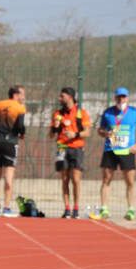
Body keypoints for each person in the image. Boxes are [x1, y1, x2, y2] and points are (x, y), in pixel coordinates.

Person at [93, 87, 136, 221]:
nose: (121, 99)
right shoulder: (108, 112)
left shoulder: (135, 112)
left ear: (127, 98)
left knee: (130, 181)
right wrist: (105, 133)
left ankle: (131, 210)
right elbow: (100, 130)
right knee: (106, 179)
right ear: (115, 98)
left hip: (127, 151)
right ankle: (104, 208)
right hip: (110, 149)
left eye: (123, 97)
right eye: (118, 97)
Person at [0, 86, 26, 217]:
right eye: (22, 94)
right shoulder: (20, 107)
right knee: (9, 178)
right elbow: (20, 126)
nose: (23, 97)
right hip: (11, 144)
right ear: (16, 94)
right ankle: (7, 207)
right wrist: (22, 134)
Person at [50, 87, 91, 219]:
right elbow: (51, 135)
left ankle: (76, 208)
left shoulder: (81, 113)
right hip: (62, 148)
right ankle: (67, 208)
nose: (59, 99)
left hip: (77, 148)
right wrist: (54, 127)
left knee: (76, 179)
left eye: (62, 96)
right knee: (64, 179)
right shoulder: (57, 114)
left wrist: (75, 134)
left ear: (70, 97)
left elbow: (88, 132)